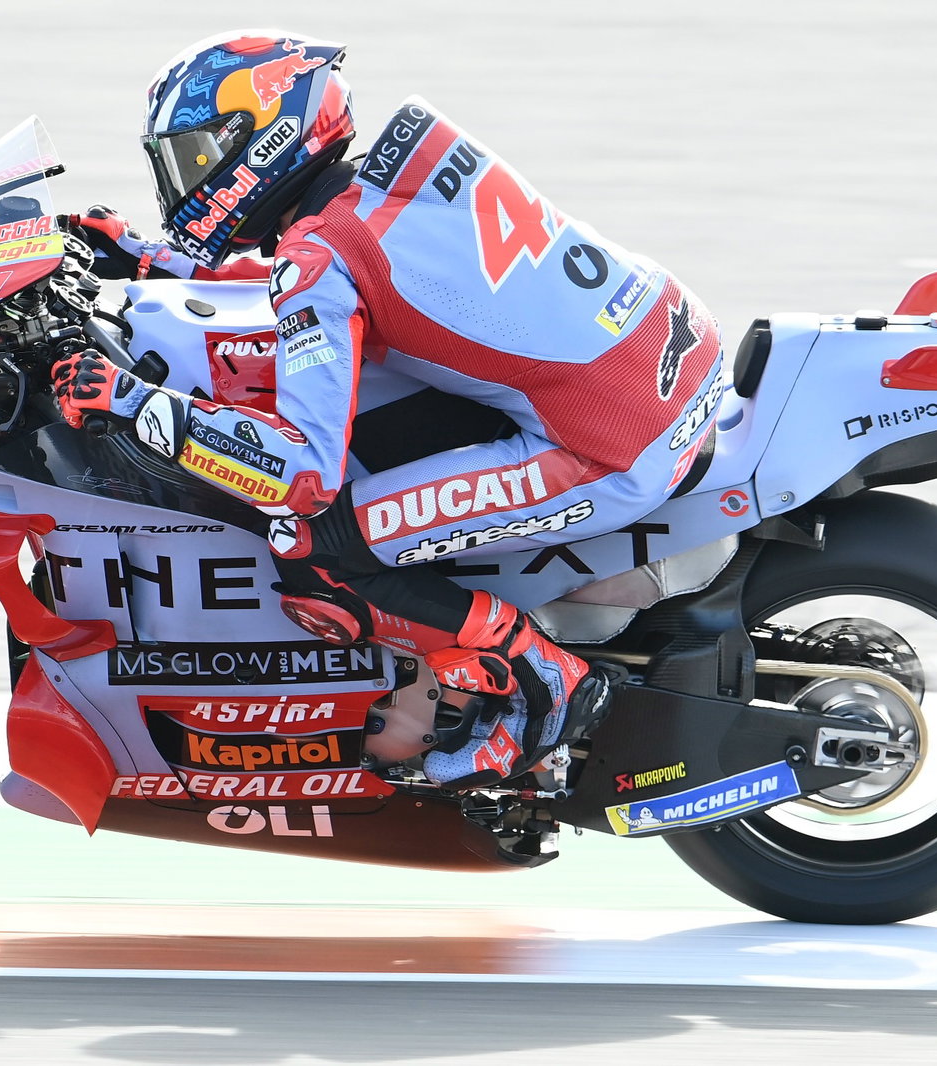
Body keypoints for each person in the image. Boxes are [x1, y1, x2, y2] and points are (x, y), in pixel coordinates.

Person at [51, 30, 725, 790]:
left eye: (197, 156)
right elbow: (353, 262)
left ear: (260, 138)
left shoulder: (318, 260)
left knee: (313, 544)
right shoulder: (388, 174)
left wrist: (135, 402)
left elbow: (301, 473)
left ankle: (546, 683)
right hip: (672, 349)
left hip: (612, 444)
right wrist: (153, 260)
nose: (185, 180)